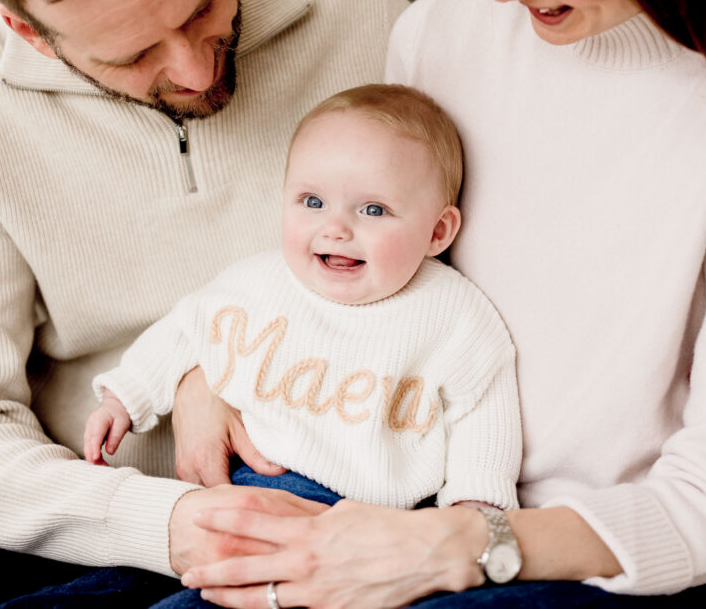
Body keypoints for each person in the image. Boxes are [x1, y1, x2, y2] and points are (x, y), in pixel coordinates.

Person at [170, 0, 706, 607]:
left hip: (638, 558)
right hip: (427, 512)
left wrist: (456, 542)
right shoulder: (441, 34)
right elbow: (383, 286)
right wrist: (209, 370)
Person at [0, 0, 407, 606]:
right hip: (88, 510)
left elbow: (458, 304)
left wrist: (221, 367)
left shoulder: (368, 21)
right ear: (29, 33)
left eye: (202, 5)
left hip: (327, 491)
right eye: (133, 55)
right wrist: (162, 523)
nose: (195, 71)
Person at [83, 84, 521, 607]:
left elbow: (482, 410)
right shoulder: (258, 283)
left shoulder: (454, 315)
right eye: (312, 202)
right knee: (107, 585)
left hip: (376, 522)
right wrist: (125, 397)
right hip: (244, 488)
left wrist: (475, 505)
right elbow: (185, 330)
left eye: (374, 210)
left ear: (438, 231)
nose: (335, 228)